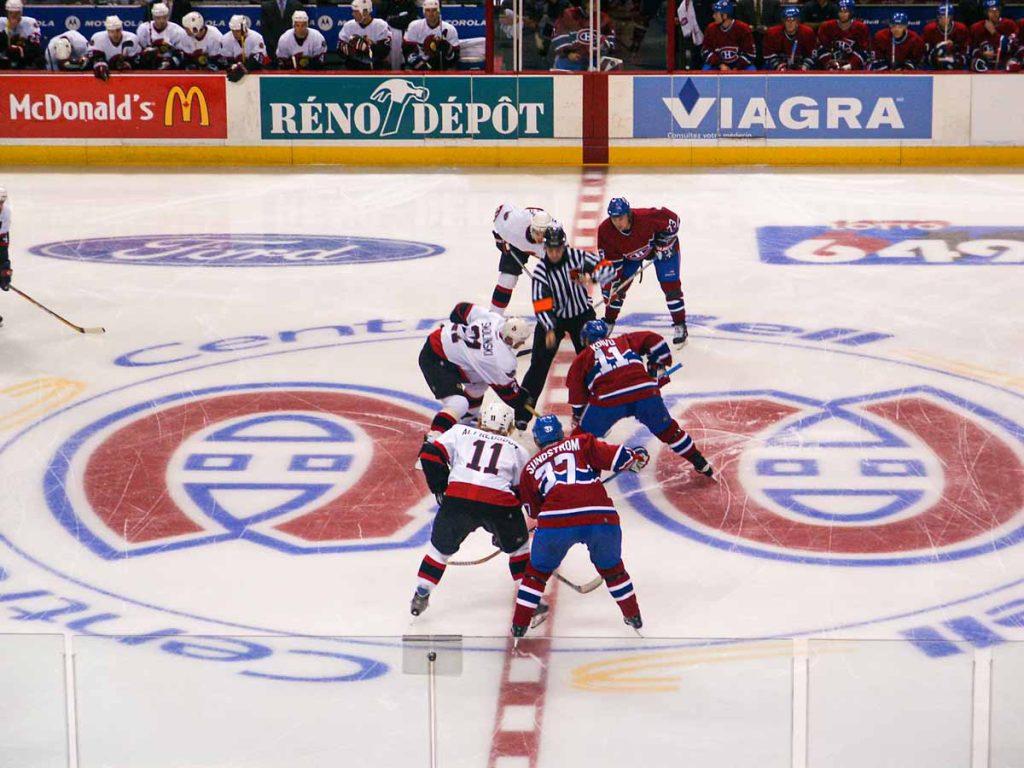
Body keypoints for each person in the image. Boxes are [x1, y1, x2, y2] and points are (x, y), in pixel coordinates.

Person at [511, 415, 649, 638]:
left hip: (556, 521)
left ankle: (519, 626)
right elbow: (620, 457)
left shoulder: (529, 469)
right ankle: (634, 616)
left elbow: (534, 512)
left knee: (535, 574)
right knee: (613, 570)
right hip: (600, 516)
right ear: (561, 434)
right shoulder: (582, 442)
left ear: (537, 441)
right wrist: (637, 457)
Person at [411, 401, 534, 617]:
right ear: (510, 427)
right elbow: (521, 492)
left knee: (439, 552)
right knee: (519, 550)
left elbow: (429, 454)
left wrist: (441, 488)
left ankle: (421, 594)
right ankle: (531, 602)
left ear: (480, 420)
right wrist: (505, 529)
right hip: (499, 503)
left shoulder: (460, 431)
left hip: (458, 500)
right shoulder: (518, 450)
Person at [567, 319, 716, 478]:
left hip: (608, 400)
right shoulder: (624, 340)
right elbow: (655, 341)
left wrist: (578, 416)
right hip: (645, 392)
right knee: (668, 431)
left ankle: (586, 478)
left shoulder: (582, 357)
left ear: (585, 339)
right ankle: (699, 460)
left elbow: (577, 396)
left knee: (580, 439)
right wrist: (656, 366)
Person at [518, 223, 617, 430]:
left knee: (593, 361)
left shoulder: (578, 257)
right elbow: (540, 304)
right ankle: (522, 411)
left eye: (557, 249)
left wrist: (592, 277)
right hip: (553, 318)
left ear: (564, 246)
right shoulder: (541, 271)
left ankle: (597, 409)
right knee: (538, 364)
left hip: (581, 315)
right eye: (550, 249)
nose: (554, 253)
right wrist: (549, 328)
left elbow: (608, 270)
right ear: (545, 248)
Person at [419, 302, 532, 440]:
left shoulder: (494, 319)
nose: (522, 344)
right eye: (520, 340)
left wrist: (462, 339)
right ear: (509, 339)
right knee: (458, 403)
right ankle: (432, 439)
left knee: (481, 379)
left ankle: (467, 418)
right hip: (435, 359)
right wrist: (524, 401)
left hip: (441, 340)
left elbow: (460, 310)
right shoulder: (502, 360)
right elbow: (509, 395)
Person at [597, 197, 689, 346]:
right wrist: (613, 285)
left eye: (620, 218)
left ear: (628, 214)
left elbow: (674, 220)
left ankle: (680, 324)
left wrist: (664, 244)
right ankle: (608, 321)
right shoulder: (605, 231)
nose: (617, 223)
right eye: (614, 219)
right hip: (630, 257)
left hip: (660, 251)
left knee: (671, 288)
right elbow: (611, 262)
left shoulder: (646, 217)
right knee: (617, 290)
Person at [489, 204, 551, 314]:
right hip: (517, 242)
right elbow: (501, 210)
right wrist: (501, 238)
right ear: (532, 227)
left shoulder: (555, 239)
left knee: (549, 285)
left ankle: (547, 318)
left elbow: (569, 264)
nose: (540, 238)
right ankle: (494, 316)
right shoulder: (513, 225)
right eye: (537, 233)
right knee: (507, 279)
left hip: (547, 250)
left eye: (544, 234)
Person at [550, 0, 617, 71]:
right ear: (586, 3)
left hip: (594, 59)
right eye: (594, 2)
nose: (597, 5)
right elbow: (557, 35)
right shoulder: (569, 14)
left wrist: (604, 46)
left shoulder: (603, 17)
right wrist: (568, 54)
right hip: (571, 59)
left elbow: (610, 38)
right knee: (565, 76)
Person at [404, 0, 460, 70]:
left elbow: (454, 58)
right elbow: (407, 50)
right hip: (419, 63)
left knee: (452, 69)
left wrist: (448, 49)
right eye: (428, 10)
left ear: (439, 11)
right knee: (408, 69)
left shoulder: (450, 29)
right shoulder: (414, 26)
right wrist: (419, 64)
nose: (431, 13)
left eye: (434, 10)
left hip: (441, 63)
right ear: (424, 12)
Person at [337, 0, 393, 70]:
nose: (353, 14)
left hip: (376, 64)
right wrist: (347, 49)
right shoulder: (349, 25)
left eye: (356, 11)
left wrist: (368, 47)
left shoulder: (381, 25)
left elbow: (384, 52)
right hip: (354, 63)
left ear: (365, 12)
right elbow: (339, 49)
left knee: (385, 66)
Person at [701, 0, 756, 70]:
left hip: (740, 65)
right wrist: (720, 65)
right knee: (706, 70)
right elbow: (705, 51)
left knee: (751, 70)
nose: (713, 16)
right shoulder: (710, 28)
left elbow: (750, 53)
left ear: (725, 15)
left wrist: (737, 67)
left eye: (716, 13)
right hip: (718, 65)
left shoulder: (743, 28)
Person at [816, 0, 870, 70]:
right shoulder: (827, 26)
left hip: (853, 66)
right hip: (830, 65)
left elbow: (864, 51)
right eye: (840, 12)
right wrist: (829, 63)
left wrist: (851, 65)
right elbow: (821, 48)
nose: (842, 14)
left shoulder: (861, 27)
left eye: (845, 12)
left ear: (851, 13)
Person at [969, 0, 1019, 71]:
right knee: (976, 63)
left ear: (1000, 11)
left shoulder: (1009, 25)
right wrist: (982, 53)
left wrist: (994, 33)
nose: (994, 13)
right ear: (986, 12)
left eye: (996, 10)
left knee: (1013, 64)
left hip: (1004, 61)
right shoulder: (977, 27)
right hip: (985, 61)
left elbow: (1009, 47)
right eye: (990, 11)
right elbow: (971, 49)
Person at [137, 2, 189, 70]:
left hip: (170, 62)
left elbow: (180, 54)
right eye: (158, 18)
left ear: (168, 16)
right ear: (153, 17)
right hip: (150, 63)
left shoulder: (177, 30)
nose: (161, 21)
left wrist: (170, 61)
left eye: (164, 17)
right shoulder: (143, 29)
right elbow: (141, 51)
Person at [88, 16, 142, 81]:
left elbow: (137, 61)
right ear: (107, 30)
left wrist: (128, 64)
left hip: (126, 77)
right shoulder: (97, 38)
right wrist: (100, 65)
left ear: (121, 28)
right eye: (112, 31)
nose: (115, 34)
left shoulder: (132, 38)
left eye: (118, 30)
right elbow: (94, 58)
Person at [763, 5, 817, 69]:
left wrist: (805, 66)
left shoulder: (807, 32)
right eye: (787, 20)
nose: (790, 23)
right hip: (778, 67)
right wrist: (779, 66)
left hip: (801, 65)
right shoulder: (773, 33)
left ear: (798, 22)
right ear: (783, 22)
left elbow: (813, 55)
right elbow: (768, 54)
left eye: (793, 20)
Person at [220, 15, 269, 82]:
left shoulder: (256, 37)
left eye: (237, 31)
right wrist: (232, 66)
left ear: (244, 28)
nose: (235, 34)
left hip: (257, 72)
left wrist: (242, 69)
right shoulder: (225, 39)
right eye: (233, 31)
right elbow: (226, 60)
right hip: (238, 71)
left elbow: (258, 59)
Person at [924, 4, 969, 69]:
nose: (944, 20)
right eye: (941, 17)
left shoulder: (961, 29)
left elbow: (965, 51)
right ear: (937, 17)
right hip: (935, 65)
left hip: (956, 63)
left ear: (951, 17)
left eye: (947, 17)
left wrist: (955, 57)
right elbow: (925, 54)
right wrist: (937, 50)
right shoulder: (929, 29)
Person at [0, 0, 42, 70]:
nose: (13, 16)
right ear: (7, 13)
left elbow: (36, 46)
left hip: (24, 57)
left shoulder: (30, 22)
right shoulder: (1, 22)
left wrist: (20, 49)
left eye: (16, 13)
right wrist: (8, 30)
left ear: (21, 12)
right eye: (11, 13)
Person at [0, 187, 10, 328]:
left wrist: (5, 270)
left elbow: (3, 243)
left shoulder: (7, 213)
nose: (0, 206)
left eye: (2, 202)